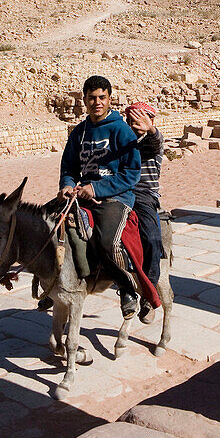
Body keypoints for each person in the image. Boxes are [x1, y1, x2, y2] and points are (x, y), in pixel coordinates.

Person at [58, 75, 142, 318]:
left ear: (109, 99)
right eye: (92, 98)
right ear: (84, 100)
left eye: (102, 97)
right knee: (50, 224)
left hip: (116, 197)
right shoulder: (79, 132)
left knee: (107, 241)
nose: (97, 102)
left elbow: (131, 173)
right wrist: (67, 185)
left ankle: (127, 288)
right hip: (82, 193)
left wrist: (96, 189)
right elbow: (69, 167)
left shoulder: (121, 130)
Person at [124, 101, 164, 324]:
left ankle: (149, 293)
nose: (134, 126)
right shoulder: (123, 141)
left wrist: (150, 130)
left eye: (138, 121)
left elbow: (156, 141)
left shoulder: (153, 141)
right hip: (121, 190)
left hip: (144, 193)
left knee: (151, 237)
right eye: (130, 122)